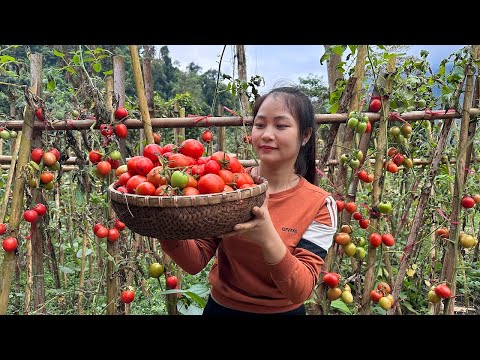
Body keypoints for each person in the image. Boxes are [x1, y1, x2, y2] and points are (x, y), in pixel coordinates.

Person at [159, 86, 337, 315]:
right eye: (260, 124)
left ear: (305, 135)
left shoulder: (319, 204)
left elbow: (300, 290)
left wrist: (267, 237)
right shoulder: (229, 188)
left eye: (281, 125)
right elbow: (196, 261)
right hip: (221, 310)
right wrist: (164, 226)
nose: (266, 134)